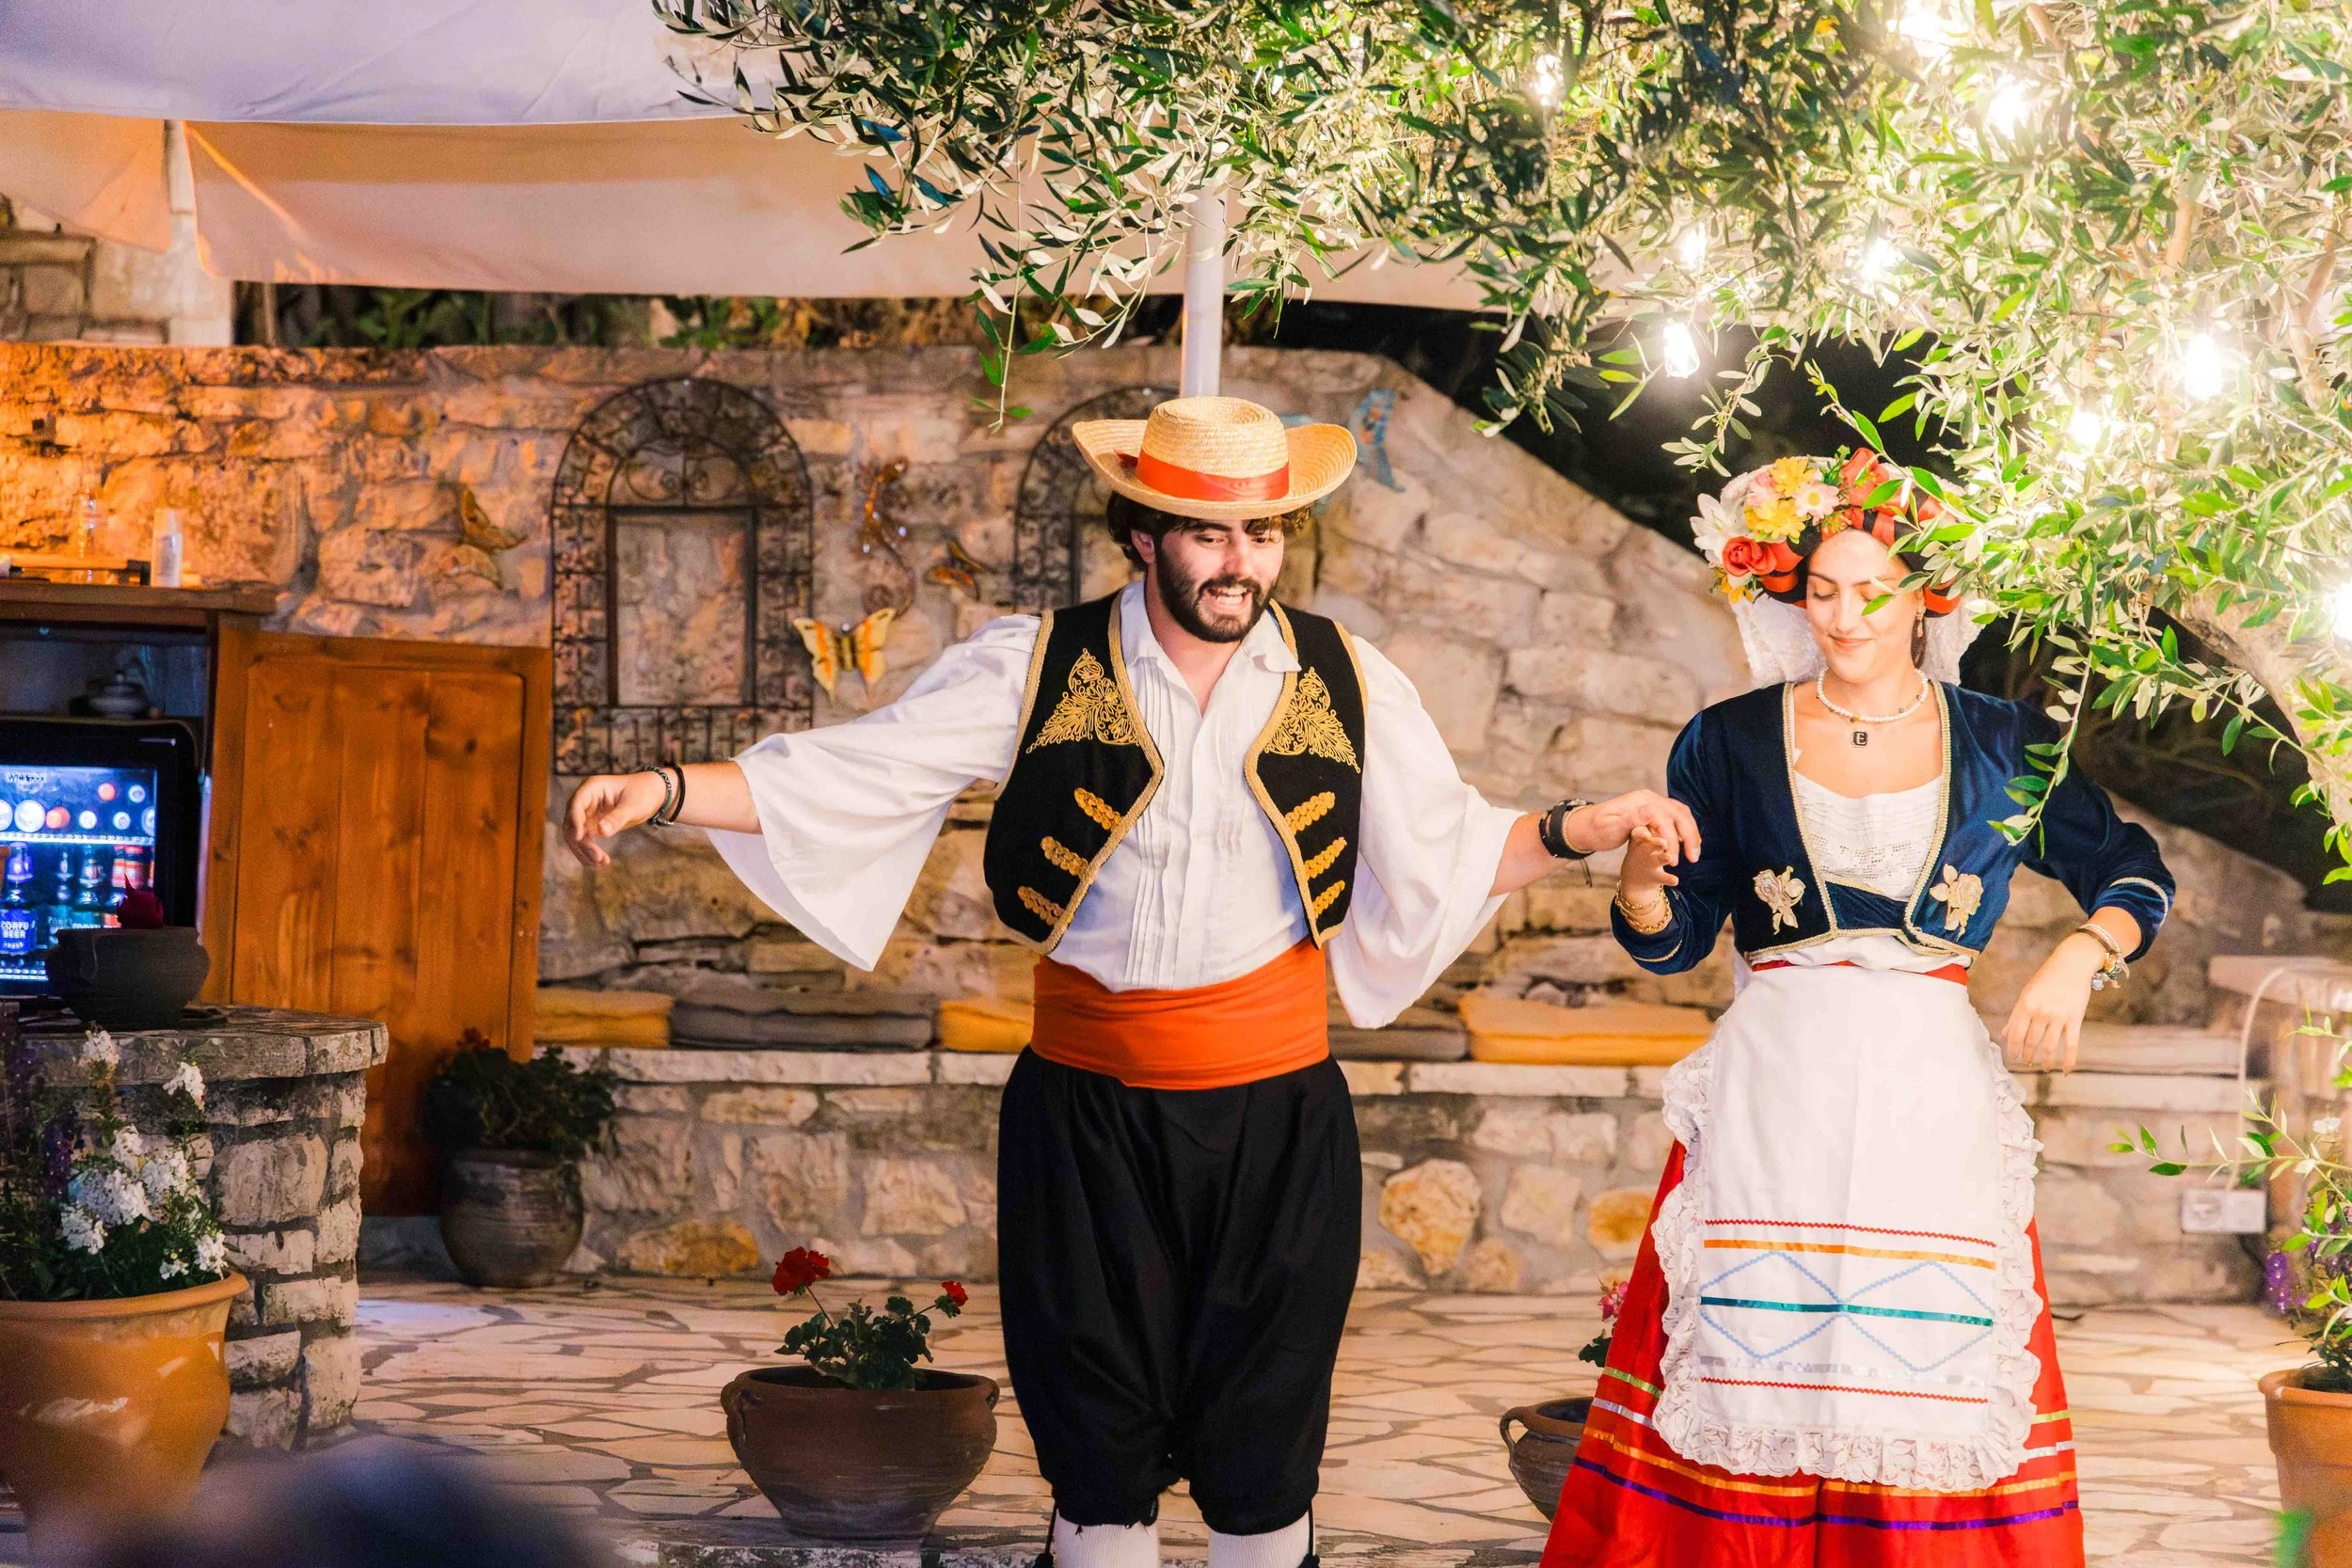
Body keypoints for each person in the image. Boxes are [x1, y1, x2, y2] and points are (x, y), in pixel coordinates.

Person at [564, 395, 1693, 1568]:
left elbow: (1455, 845)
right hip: (1086, 1113)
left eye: (1261, 533)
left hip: (1275, 1117)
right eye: (1208, 533)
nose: (1239, 561)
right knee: (1097, 1459)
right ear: (1143, 534)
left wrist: (1578, 827)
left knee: (1264, 1455)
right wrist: (670, 787)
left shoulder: (1345, 677)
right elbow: (860, 770)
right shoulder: (1038, 661)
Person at [1540, 451, 2173, 1568]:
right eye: (1821, 590)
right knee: (1751, 1356)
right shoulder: (1728, 738)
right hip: (1773, 1088)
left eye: (1871, 588)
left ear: (1925, 593)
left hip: (1928, 1094)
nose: (1844, 615)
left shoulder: (2003, 741)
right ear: (1790, 591)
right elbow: (1680, 931)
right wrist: (1641, 884)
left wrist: (2077, 956)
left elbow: (2132, 871)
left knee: (1926, 1371)